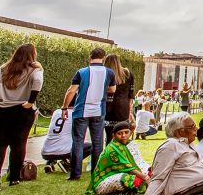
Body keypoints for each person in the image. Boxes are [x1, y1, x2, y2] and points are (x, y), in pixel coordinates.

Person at [0, 43, 44, 186]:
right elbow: (38, 82)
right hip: (22, 110)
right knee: (19, 144)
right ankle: (14, 178)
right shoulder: (34, 69)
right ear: (32, 55)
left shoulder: (3, 68)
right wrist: (30, 101)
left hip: (1, 110)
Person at [61, 48, 117, 181]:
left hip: (81, 111)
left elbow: (71, 91)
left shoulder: (82, 72)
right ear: (103, 58)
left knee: (78, 142)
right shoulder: (109, 72)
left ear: (90, 57)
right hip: (99, 110)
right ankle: (96, 173)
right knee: (97, 143)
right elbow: (113, 89)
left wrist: (64, 107)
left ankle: (75, 174)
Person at [88, 122, 150, 195]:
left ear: (131, 133)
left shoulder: (131, 144)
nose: (123, 135)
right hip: (105, 179)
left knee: (150, 170)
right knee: (126, 179)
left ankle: (133, 188)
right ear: (113, 135)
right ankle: (132, 188)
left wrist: (148, 172)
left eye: (126, 132)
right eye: (119, 133)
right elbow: (127, 168)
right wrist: (145, 177)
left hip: (126, 172)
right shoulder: (112, 149)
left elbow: (139, 162)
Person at [41, 107, 91, 173]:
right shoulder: (77, 113)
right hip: (64, 152)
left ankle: (50, 162)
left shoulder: (56, 112)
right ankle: (68, 162)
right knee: (91, 146)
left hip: (46, 152)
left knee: (59, 140)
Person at [103, 53, 135, 144]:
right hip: (123, 108)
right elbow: (130, 95)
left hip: (108, 108)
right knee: (123, 136)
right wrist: (130, 111)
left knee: (110, 136)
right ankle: (121, 155)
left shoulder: (105, 74)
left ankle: (110, 155)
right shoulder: (128, 74)